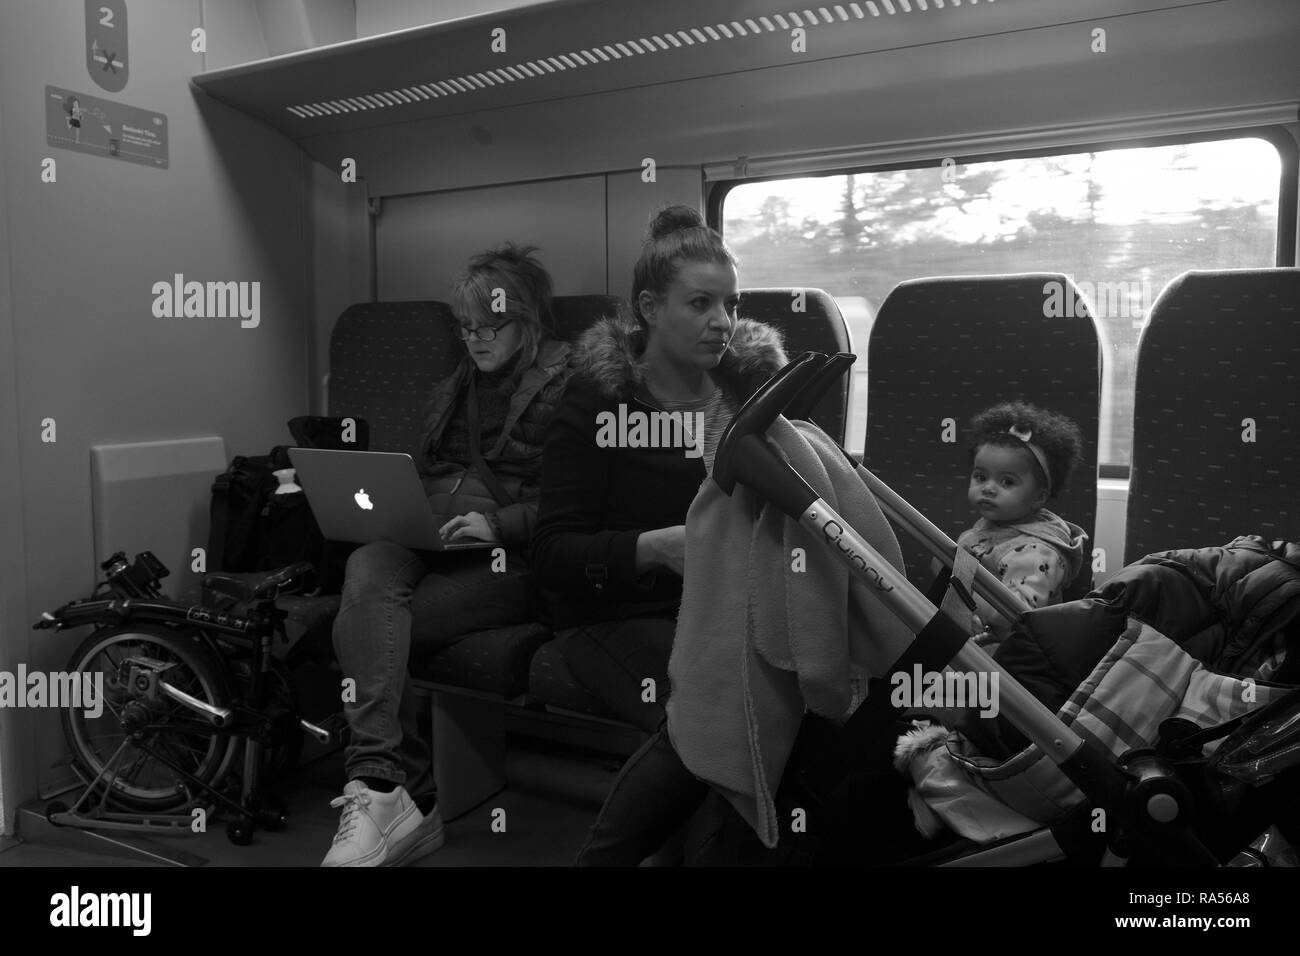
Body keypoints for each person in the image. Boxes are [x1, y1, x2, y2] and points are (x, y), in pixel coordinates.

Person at [530, 205, 788, 863]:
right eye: (701, 303)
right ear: (649, 307)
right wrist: (657, 549)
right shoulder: (596, 401)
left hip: (731, 603)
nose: (723, 322)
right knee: (717, 708)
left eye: (731, 303)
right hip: (614, 612)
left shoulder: (749, 393)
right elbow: (554, 552)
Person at [323, 244, 570, 867]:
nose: (476, 340)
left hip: (509, 557)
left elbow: (580, 506)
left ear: (530, 320)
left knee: (373, 628)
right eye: (466, 329)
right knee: (367, 569)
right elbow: (422, 471)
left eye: (491, 327)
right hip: (429, 536)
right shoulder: (450, 389)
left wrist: (500, 524)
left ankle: (402, 797)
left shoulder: (575, 388)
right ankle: (384, 788)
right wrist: (393, 510)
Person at [956, 401, 1087, 642]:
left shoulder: (1036, 552)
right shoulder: (992, 525)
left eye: (1007, 482)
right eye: (980, 476)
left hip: (1010, 657)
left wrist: (967, 608)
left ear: (1038, 497)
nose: (988, 488)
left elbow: (1015, 614)